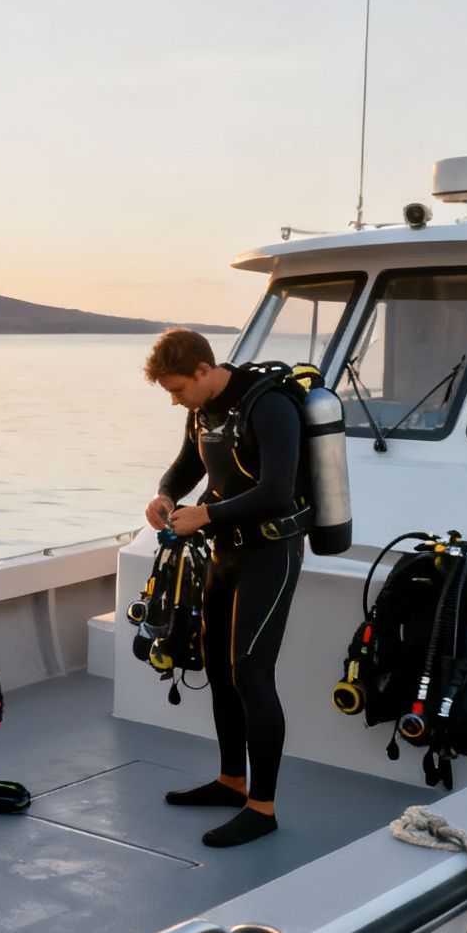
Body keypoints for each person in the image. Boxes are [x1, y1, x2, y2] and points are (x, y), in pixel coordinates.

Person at [143, 328, 306, 848]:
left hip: (270, 553)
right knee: (217, 667)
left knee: (251, 673)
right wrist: (165, 495)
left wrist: (207, 513)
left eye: (177, 389)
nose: (174, 400)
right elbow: (188, 465)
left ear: (202, 370)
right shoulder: (203, 411)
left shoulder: (269, 405)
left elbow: (277, 490)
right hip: (225, 552)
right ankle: (231, 780)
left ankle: (263, 806)